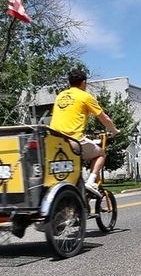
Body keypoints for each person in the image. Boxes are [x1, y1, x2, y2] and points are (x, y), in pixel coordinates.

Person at [50, 68, 121, 196]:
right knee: (101, 154)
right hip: (74, 140)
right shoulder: (85, 96)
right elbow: (104, 118)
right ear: (83, 83)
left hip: (54, 141)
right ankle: (91, 182)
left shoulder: (60, 96)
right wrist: (114, 131)